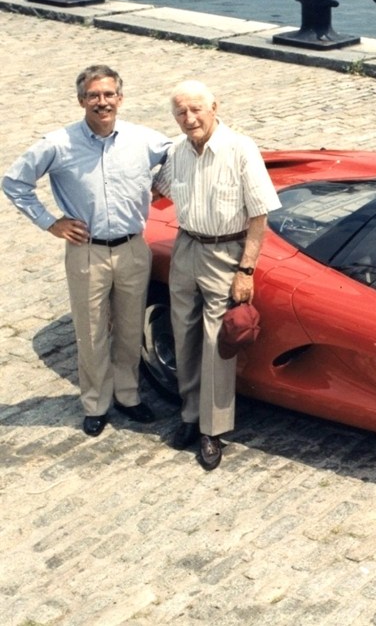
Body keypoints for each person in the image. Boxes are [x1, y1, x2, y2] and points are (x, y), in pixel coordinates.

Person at [2, 65, 171, 436]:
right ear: (82, 100)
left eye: (109, 94)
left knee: (129, 330)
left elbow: (178, 156)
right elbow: (14, 182)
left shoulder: (143, 139)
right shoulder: (58, 144)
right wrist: (50, 222)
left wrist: (161, 183)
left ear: (120, 99)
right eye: (93, 95)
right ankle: (95, 403)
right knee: (91, 331)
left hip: (132, 248)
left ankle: (128, 396)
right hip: (86, 251)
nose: (102, 102)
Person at [153, 80, 280, 471]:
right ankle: (190, 415)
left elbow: (259, 213)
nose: (189, 118)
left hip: (227, 251)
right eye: (181, 113)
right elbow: (159, 186)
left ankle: (213, 429)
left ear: (214, 107)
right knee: (184, 334)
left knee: (216, 341)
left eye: (196, 110)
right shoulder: (176, 151)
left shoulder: (241, 148)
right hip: (187, 246)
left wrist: (246, 269)